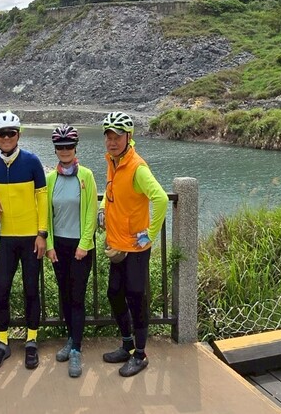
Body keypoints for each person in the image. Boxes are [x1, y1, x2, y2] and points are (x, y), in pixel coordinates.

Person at [98, 111, 168, 377]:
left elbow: (160, 199)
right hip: (117, 245)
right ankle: (126, 345)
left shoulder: (137, 167)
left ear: (129, 137)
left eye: (117, 136)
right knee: (114, 294)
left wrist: (150, 234)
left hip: (136, 249)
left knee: (136, 298)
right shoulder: (113, 162)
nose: (112, 141)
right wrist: (104, 207)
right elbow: (111, 191)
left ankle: (140, 354)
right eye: (108, 136)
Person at [0, 111, 48, 371]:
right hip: (7, 238)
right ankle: (2, 341)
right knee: (2, 288)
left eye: (11, 133)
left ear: (19, 135)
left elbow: (42, 197)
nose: (7, 137)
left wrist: (42, 233)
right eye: (2, 134)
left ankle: (31, 340)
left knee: (31, 289)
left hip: (31, 236)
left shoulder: (32, 161)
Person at [45, 125, 98, 378]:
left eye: (68, 146)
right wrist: (50, 245)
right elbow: (47, 214)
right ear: (55, 150)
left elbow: (90, 211)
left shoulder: (86, 176)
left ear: (75, 148)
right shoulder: (50, 179)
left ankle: (76, 349)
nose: (64, 151)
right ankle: (70, 338)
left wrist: (84, 244)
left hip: (81, 247)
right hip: (59, 248)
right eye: (60, 147)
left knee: (77, 296)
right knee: (65, 295)